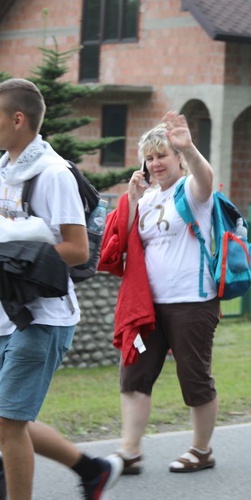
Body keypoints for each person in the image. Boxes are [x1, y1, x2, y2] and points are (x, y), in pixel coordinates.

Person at [0, 78, 123, 500]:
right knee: (8, 419)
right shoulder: (5, 170)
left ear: (18, 119)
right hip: (7, 313)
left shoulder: (52, 174)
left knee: (8, 423)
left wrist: (14, 252)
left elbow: (76, 249)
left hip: (43, 318)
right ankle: (92, 470)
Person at [100, 111, 220, 475]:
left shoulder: (191, 191)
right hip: (147, 305)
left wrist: (189, 147)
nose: (155, 164)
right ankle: (130, 450)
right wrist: (133, 202)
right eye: (149, 157)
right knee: (134, 374)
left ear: (177, 158)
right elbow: (124, 246)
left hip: (192, 302)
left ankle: (201, 450)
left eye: (162, 155)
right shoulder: (147, 197)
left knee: (194, 377)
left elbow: (206, 179)